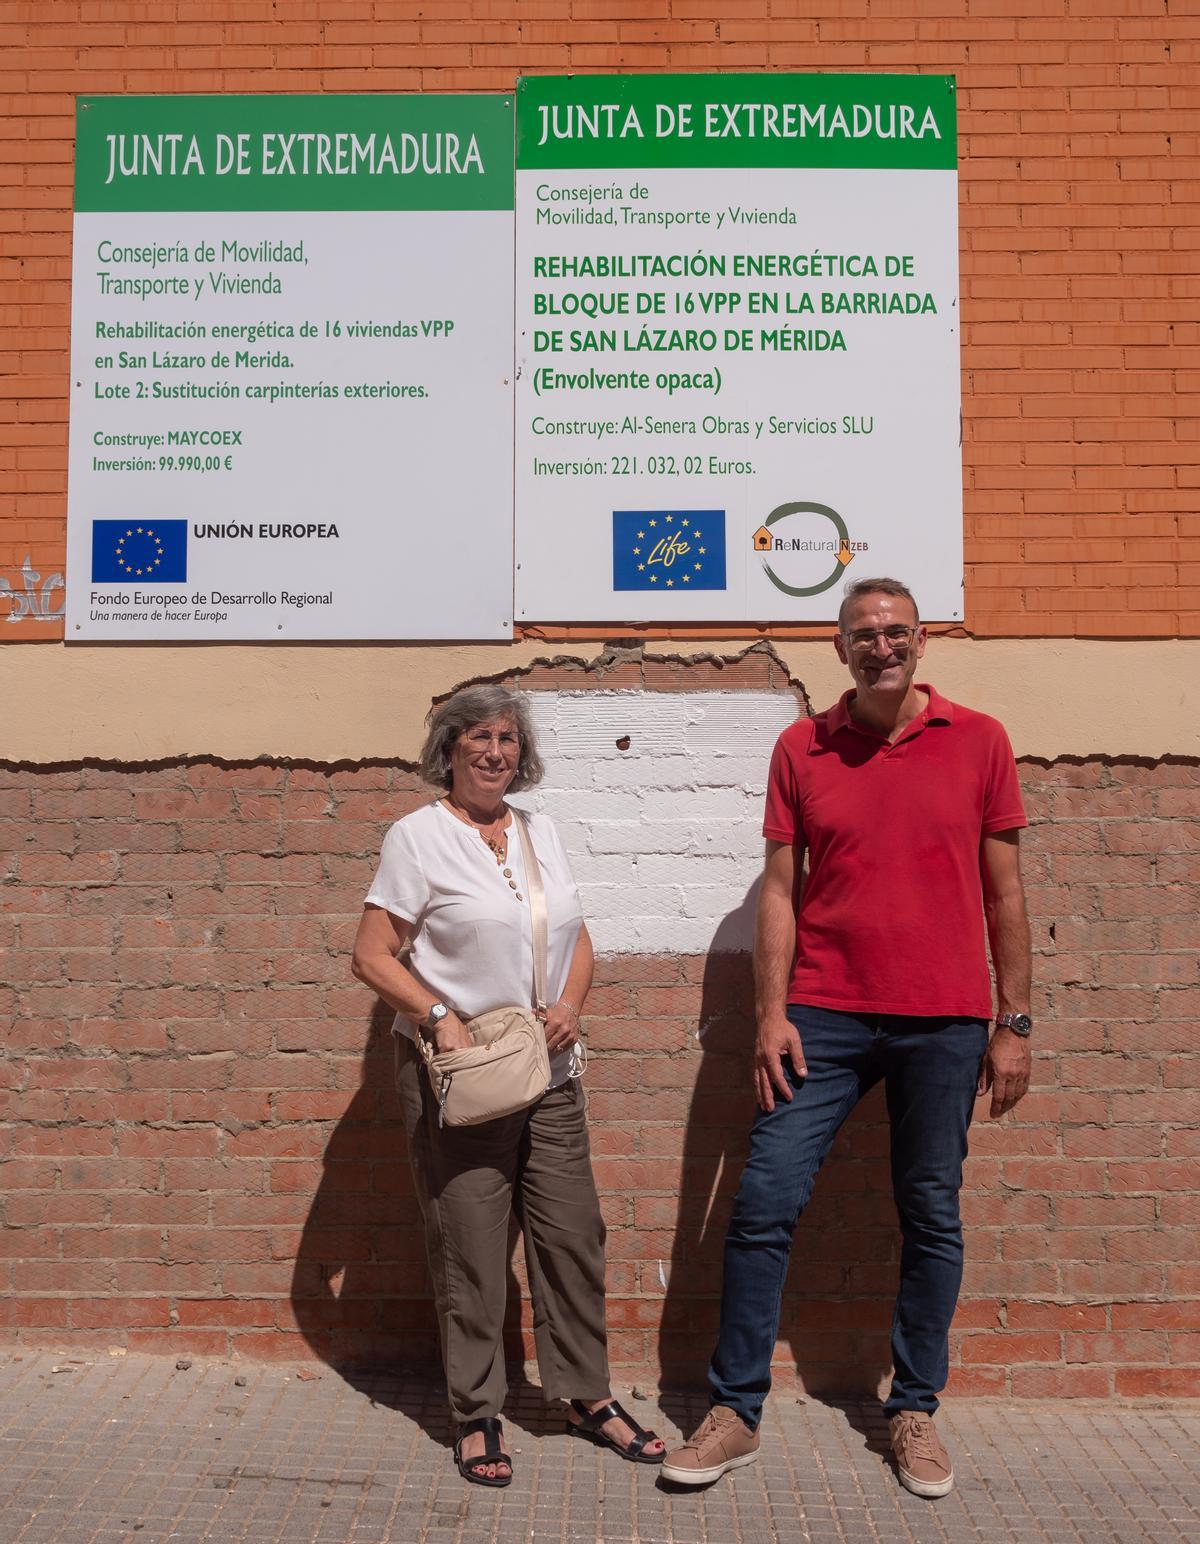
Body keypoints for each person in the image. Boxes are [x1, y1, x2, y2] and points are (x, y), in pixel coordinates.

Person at [663, 578, 1032, 1499]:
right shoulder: (803, 747)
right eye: (863, 634)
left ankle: (913, 1409)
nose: (881, 647)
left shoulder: (979, 740)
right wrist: (770, 1014)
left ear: (920, 642)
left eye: (896, 632)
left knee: (931, 1214)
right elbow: (780, 889)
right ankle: (735, 1412)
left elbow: (1005, 894)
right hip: (822, 1013)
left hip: (943, 1017)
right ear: (839, 649)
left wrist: (1013, 1022)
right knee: (762, 1205)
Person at [352, 684, 664, 1487]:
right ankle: (479, 1411)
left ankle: (584, 1396)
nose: (495, 753)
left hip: (549, 1071)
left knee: (572, 1235)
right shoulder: (417, 838)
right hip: (463, 1077)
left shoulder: (540, 832)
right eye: (478, 738)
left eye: (506, 739)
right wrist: (434, 1015)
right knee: (473, 1250)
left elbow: (578, 937)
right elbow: (372, 954)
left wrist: (569, 1003)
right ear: (448, 750)